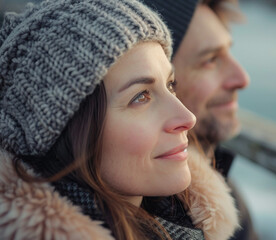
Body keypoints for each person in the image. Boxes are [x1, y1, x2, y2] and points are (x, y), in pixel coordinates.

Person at [0, 0, 239, 239]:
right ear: (67, 132)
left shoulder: (180, 224)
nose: (187, 118)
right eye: (141, 97)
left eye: (170, 85)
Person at [141, 1, 257, 239]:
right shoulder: (162, 219)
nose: (242, 79)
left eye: (228, 51)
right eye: (210, 60)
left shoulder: (219, 191)